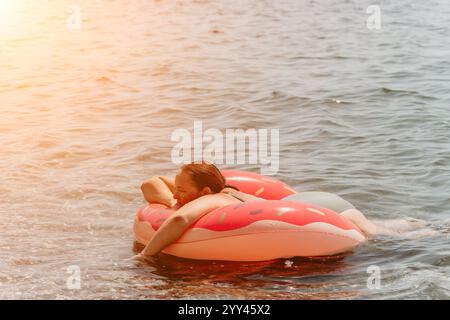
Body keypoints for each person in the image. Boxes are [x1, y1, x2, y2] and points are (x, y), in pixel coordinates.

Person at [135, 162, 427, 262]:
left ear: (205, 192)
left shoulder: (214, 202)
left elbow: (179, 219)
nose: (176, 193)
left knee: (380, 245)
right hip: (323, 203)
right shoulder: (229, 190)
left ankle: (427, 238)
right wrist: (176, 198)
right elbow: (151, 183)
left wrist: (145, 256)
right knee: (380, 233)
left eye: (182, 190)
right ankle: (421, 228)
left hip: (314, 217)